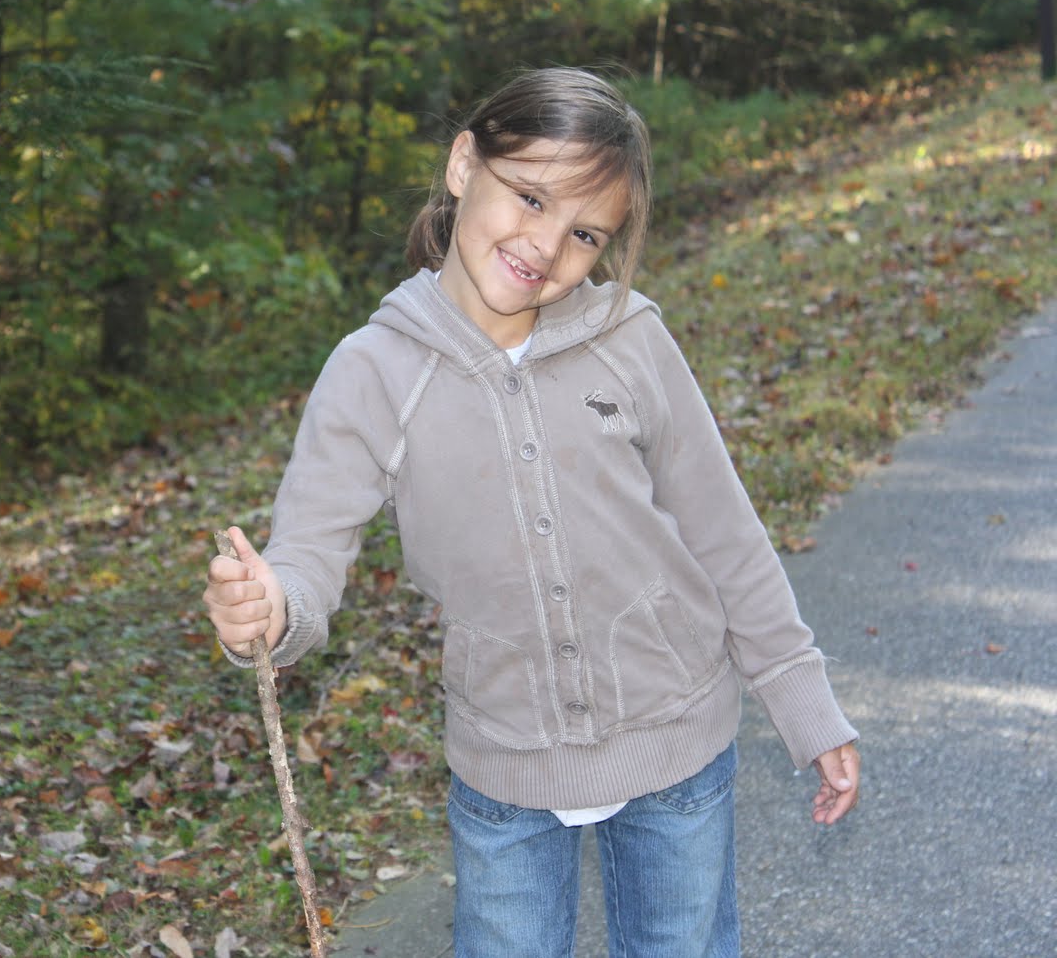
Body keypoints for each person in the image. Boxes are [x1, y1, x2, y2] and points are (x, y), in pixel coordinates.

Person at [201, 66, 860, 958]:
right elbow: (309, 552)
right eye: (530, 197)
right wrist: (273, 606)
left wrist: (803, 700)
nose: (546, 246)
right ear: (463, 164)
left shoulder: (630, 338)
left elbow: (725, 532)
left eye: (585, 233)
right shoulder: (375, 370)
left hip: (677, 745)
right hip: (504, 767)